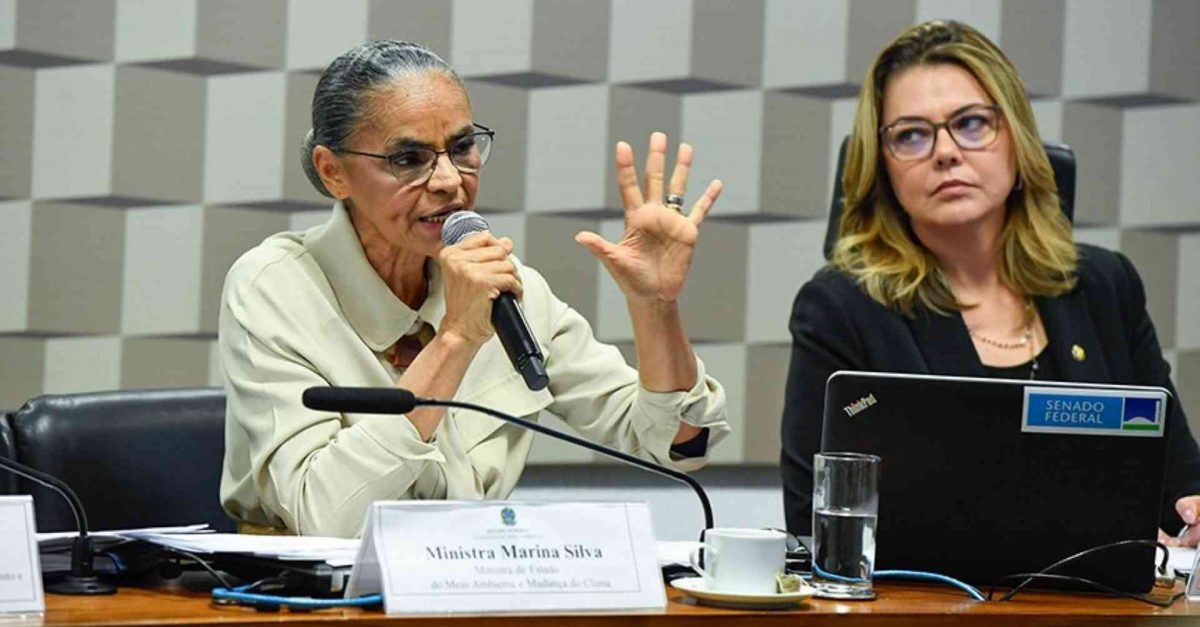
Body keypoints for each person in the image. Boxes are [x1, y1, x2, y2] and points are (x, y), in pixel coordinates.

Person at [218, 40, 730, 537]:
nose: (448, 179)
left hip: (470, 579)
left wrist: (655, 306)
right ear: (334, 173)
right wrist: (456, 337)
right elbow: (326, 519)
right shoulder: (273, 287)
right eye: (408, 158)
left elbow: (677, 442)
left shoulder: (511, 288)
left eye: (462, 147)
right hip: (312, 607)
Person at [780, 21, 1200, 547]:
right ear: (882, 168)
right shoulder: (841, 308)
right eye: (911, 135)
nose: (946, 152)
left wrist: (1193, 513)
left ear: (1017, 140)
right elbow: (813, 523)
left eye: (972, 123)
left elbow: (1178, 484)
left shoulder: (1104, 287)